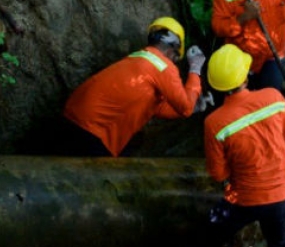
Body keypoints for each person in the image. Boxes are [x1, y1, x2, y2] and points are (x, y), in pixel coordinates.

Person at [201, 44, 285, 247]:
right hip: (279, 196)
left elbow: (218, 173)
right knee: (280, 246)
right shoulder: (274, 97)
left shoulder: (214, 122)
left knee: (204, 240)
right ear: (245, 76)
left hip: (243, 200)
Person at [62, 17, 205, 157]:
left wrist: (194, 107)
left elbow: (156, 107)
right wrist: (195, 68)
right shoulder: (163, 67)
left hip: (72, 116)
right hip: (93, 130)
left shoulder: (137, 58)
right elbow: (185, 107)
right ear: (172, 51)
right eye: (176, 58)